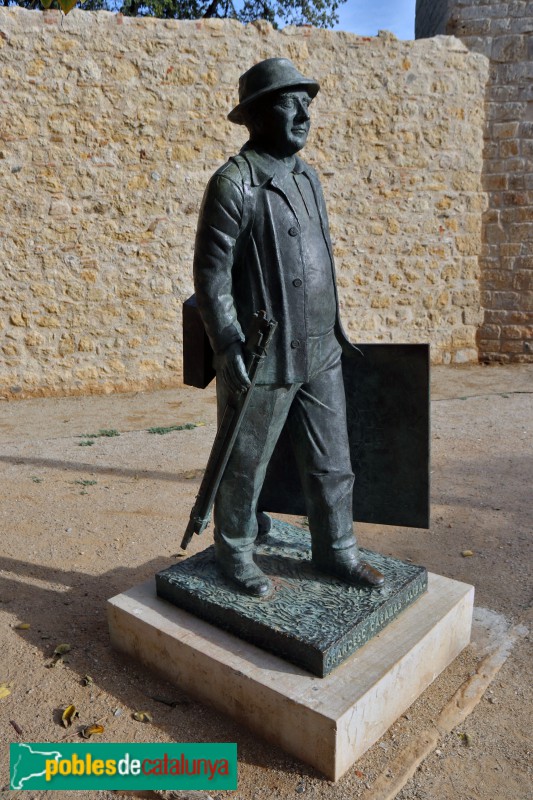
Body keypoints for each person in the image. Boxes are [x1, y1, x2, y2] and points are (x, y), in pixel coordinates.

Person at [193, 58, 385, 597]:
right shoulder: (235, 183)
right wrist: (227, 339)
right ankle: (235, 550)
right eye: (287, 100)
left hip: (321, 347)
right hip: (263, 352)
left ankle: (337, 550)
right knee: (245, 462)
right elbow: (211, 274)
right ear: (255, 115)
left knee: (333, 462)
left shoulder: (307, 176)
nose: (303, 111)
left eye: (308, 101)